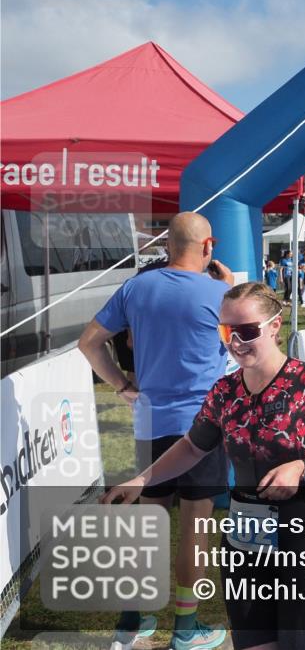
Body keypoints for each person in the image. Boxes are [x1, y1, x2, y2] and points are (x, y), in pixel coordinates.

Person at [102, 283, 305, 650]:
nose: (235, 342)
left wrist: (303, 468)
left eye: (246, 331)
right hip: (246, 544)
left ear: (275, 326)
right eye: (225, 331)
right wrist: (141, 479)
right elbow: (191, 447)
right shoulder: (224, 391)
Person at [79, 212, 232, 650]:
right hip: (203, 425)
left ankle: (134, 619)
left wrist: (122, 386)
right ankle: (185, 629)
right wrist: (228, 283)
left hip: (150, 421)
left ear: (168, 245)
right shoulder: (218, 293)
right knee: (195, 525)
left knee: (149, 519)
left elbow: (89, 342)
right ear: (208, 246)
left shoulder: (135, 287)